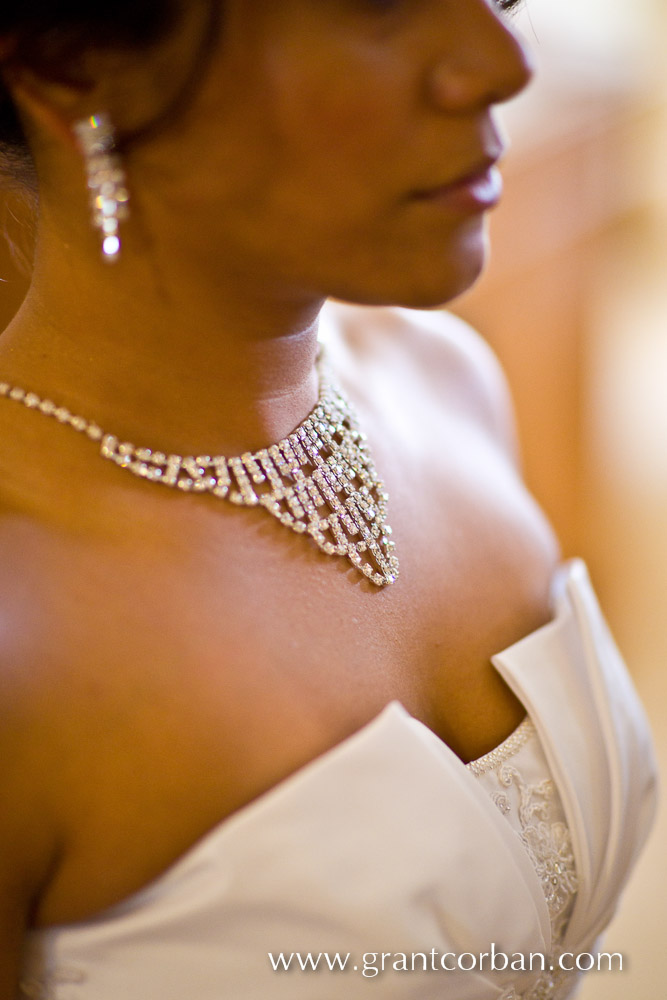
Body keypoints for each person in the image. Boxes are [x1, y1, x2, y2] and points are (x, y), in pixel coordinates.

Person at [0, 1, 657, 998]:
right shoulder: (22, 630)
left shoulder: (448, 382)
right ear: (76, 67)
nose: (502, 62)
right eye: (381, 5)